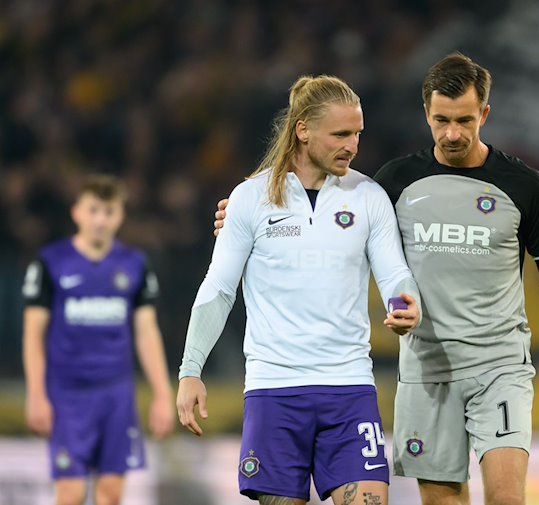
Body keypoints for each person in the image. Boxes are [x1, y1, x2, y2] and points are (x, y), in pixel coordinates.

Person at [215, 53, 539, 505]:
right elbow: (322, 214)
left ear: (485, 114)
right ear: (427, 112)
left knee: (506, 499)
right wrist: (242, 214)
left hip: (499, 366)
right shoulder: (395, 184)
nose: (453, 133)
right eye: (441, 120)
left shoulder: (524, 186)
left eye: (465, 120)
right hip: (425, 369)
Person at [176, 74, 421, 505]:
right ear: (303, 130)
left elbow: (395, 275)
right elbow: (218, 289)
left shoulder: (368, 196)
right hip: (274, 391)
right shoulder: (250, 200)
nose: (352, 145)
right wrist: (190, 370)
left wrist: (405, 306)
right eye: (341, 134)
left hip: (349, 389)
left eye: (358, 134)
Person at [22, 174, 175, 505]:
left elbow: (147, 332)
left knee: (111, 495)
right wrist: (35, 394)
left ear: (120, 216)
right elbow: (33, 333)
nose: (100, 220)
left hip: (116, 395)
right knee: (71, 494)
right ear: (76, 212)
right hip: (67, 396)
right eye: (93, 210)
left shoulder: (135, 264)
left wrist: (163, 393)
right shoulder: (51, 263)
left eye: (108, 212)